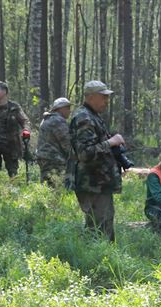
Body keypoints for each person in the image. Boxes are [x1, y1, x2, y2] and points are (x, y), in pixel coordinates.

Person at [68, 80, 124, 242]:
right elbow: (85, 153)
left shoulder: (92, 116)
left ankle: (101, 256)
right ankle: (96, 258)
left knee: (102, 228)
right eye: (103, 97)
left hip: (99, 183)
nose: (107, 101)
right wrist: (111, 142)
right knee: (98, 232)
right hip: (92, 183)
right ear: (91, 97)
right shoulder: (84, 118)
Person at [36, 97, 72, 187]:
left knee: (46, 188)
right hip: (55, 161)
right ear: (60, 108)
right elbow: (67, 144)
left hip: (44, 158)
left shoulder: (47, 119)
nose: (69, 111)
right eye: (67, 108)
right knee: (57, 188)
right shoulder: (58, 121)